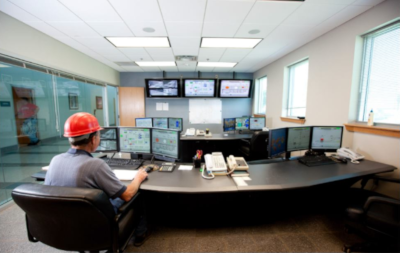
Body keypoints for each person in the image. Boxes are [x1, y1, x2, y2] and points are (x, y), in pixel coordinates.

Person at [44, 112, 150, 247]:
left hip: (62, 223)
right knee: (137, 194)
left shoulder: (55, 160)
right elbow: (127, 195)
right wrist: (138, 178)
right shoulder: (95, 164)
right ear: (93, 139)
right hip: (95, 222)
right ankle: (140, 233)